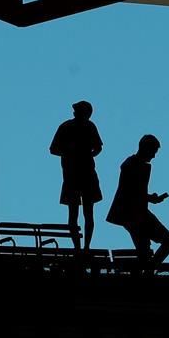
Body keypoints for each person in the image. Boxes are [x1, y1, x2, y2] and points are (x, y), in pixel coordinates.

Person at [106, 134, 169, 272]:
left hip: (136, 215)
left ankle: (148, 272)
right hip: (134, 215)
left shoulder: (133, 164)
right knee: (165, 243)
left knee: (147, 250)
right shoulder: (131, 165)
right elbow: (131, 192)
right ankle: (148, 272)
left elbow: (133, 192)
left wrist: (149, 198)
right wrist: (150, 198)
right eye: (153, 152)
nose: (154, 156)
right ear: (146, 148)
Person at [49, 100, 103, 251]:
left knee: (85, 213)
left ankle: (84, 247)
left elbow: (98, 147)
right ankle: (79, 248)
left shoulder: (88, 127)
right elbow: (53, 149)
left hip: (85, 175)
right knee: (77, 214)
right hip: (73, 176)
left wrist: (87, 155)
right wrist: (71, 153)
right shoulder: (67, 127)